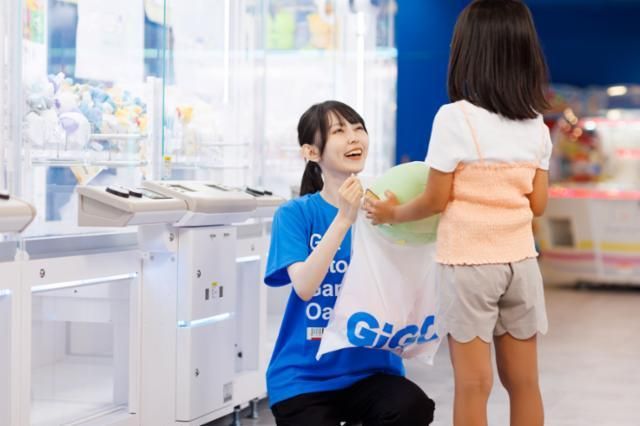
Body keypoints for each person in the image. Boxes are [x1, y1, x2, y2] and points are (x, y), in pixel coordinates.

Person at [364, 1, 552, 425]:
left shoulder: (454, 118)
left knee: (473, 384)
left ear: (469, 53)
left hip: (468, 264)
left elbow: (435, 200)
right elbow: (538, 205)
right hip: (521, 263)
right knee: (525, 383)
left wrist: (392, 213)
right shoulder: (536, 125)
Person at [264, 100, 435, 426]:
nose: (354, 137)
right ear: (311, 152)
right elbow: (304, 286)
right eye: (339, 131)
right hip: (303, 378)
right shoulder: (295, 214)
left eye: (358, 128)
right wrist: (344, 218)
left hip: (372, 372)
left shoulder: (385, 211)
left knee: (412, 408)